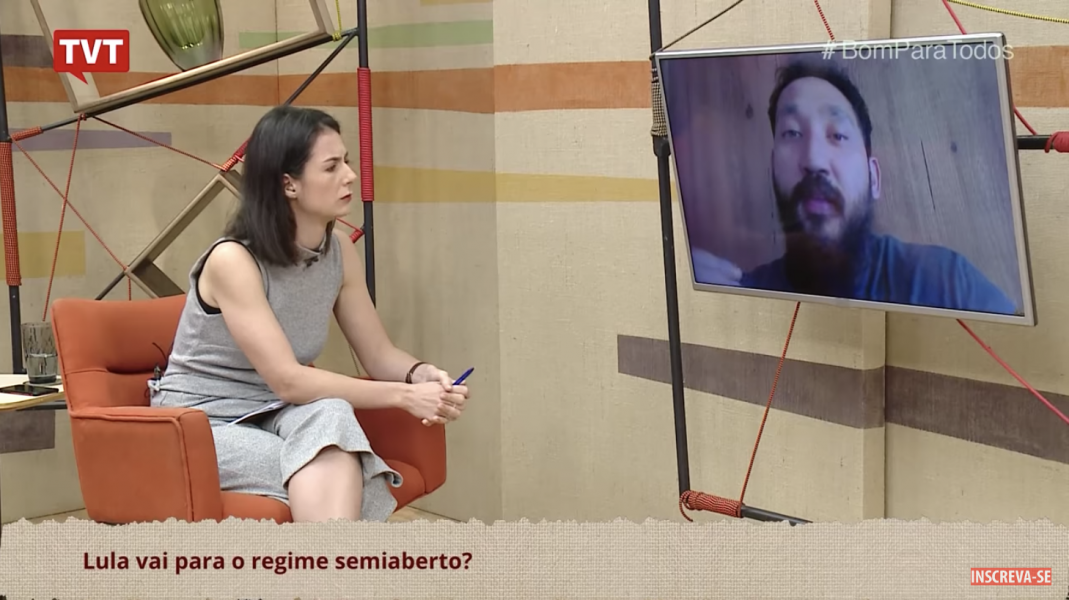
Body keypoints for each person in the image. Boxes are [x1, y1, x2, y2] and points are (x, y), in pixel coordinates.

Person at [149, 105, 470, 522]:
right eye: (332, 167)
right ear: (289, 184)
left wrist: (420, 374)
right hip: (203, 421)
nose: (350, 176)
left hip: (279, 413)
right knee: (332, 464)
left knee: (333, 417)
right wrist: (405, 397)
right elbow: (288, 379)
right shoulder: (233, 261)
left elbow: (377, 354)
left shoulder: (339, 253)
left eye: (347, 162)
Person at [692, 61, 1018, 315]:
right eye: (792, 133)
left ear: (874, 177)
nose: (814, 160)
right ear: (772, 170)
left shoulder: (950, 283)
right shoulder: (743, 289)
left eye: (837, 135)